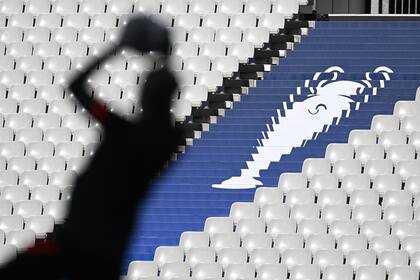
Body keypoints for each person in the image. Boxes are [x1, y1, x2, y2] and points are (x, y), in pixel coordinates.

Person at [0, 16, 180, 280]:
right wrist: (165, 60)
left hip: (74, 244)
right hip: (106, 256)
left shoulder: (122, 130)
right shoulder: (166, 141)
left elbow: (76, 86)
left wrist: (119, 47)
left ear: (147, 96)